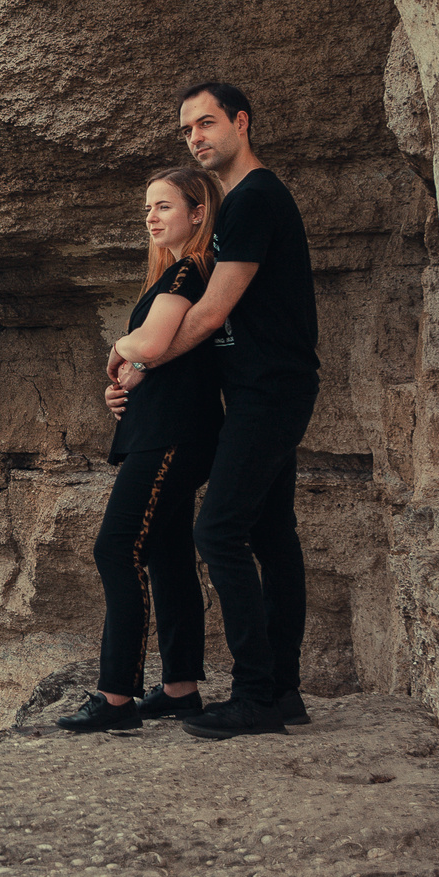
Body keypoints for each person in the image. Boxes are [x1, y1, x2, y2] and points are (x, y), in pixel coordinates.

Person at [106, 81, 320, 739]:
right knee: (269, 533)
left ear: (242, 123)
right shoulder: (240, 206)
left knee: (218, 530)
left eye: (207, 123)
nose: (196, 137)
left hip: (269, 390)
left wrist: (138, 363)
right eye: (187, 130)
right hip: (259, 389)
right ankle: (282, 690)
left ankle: (256, 693)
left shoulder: (254, 198)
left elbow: (211, 312)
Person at [58, 166, 224, 733]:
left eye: (164, 207)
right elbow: (157, 357)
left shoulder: (188, 272)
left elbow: (151, 344)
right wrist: (124, 381)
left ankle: (116, 698)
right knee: (167, 554)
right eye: (147, 209)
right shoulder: (177, 275)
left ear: (197, 213)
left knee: (116, 548)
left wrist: (119, 350)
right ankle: (180, 688)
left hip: (173, 437)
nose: (150, 218)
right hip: (165, 430)